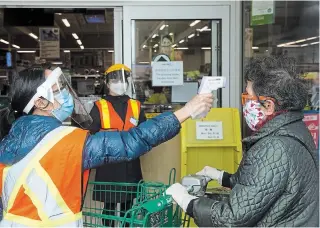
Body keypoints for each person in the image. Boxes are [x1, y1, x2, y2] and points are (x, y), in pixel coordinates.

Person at [0, 66, 213, 227]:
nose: (65, 93)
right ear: (40, 102)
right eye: (57, 90)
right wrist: (186, 111)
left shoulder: (8, 141)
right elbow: (133, 141)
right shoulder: (67, 141)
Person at [166, 56, 319, 227]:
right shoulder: (294, 128)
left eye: (248, 97)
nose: (244, 104)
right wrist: (220, 176)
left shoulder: (274, 147)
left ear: (268, 106)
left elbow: (232, 218)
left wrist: (188, 202)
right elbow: (262, 185)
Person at [89, 64, 146, 226]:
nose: (120, 83)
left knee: (128, 205)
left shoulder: (136, 105)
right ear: (107, 83)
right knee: (110, 205)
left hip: (131, 164)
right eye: (115, 80)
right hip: (109, 164)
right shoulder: (99, 106)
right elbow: (91, 133)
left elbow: (144, 131)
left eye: (123, 80)